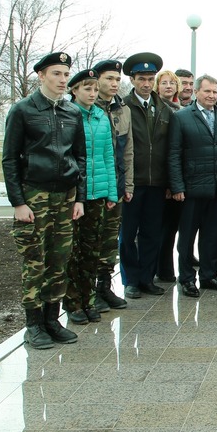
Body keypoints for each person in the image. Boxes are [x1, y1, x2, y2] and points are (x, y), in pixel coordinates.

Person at [2, 51, 86, 349]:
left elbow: (80, 157)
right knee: (34, 262)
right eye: (56, 74)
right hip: (34, 196)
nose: (63, 80)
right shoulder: (23, 110)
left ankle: (52, 319)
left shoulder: (71, 112)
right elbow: (10, 159)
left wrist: (80, 199)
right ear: (41, 76)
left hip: (66, 197)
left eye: (65, 74)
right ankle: (33, 324)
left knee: (59, 260)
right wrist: (18, 202)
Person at [168, 75, 217, 298]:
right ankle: (187, 278)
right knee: (187, 237)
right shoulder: (181, 117)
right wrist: (177, 186)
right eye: (207, 91)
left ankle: (209, 275)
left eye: (214, 92)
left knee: (212, 236)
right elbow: (173, 154)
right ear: (197, 92)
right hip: (191, 189)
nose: (211, 95)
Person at [64, 69, 118, 324]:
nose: (93, 93)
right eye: (87, 89)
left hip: (98, 193)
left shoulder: (100, 117)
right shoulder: (68, 115)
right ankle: (73, 303)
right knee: (72, 251)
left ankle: (89, 300)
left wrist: (111, 192)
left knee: (92, 249)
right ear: (74, 90)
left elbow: (108, 156)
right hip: (76, 194)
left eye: (95, 89)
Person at [120, 52, 174, 300]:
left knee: (152, 233)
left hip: (157, 183)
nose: (146, 83)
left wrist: (170, 182)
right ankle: (131, 280)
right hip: (134, 182)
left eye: (150, 78)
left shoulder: (164, 109)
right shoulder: (123, 107)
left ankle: (146, 278)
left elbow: (170, 148)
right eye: (141, 78)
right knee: (128, 234)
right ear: (132, 80)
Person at [90, 58, 133, 313]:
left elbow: (128, 151)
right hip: (95, 187)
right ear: (96, 80)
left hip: (116, 186)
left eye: (117, 79)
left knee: (108, 241)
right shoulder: (85, 107)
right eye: (109, 78)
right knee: (90, 243)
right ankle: (88, 294)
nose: (114, 83)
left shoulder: (122, 109)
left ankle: (104, 288)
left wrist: (128, 185)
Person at [155, 69, 184, 283]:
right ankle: (159, 268)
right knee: (158, 228)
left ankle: (165, 268)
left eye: (171, 83)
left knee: (171, 228)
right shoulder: (155, 109)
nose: (168, 86)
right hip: (158, 177)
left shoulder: (179, 110)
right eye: (163, 83)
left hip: (175, 178)